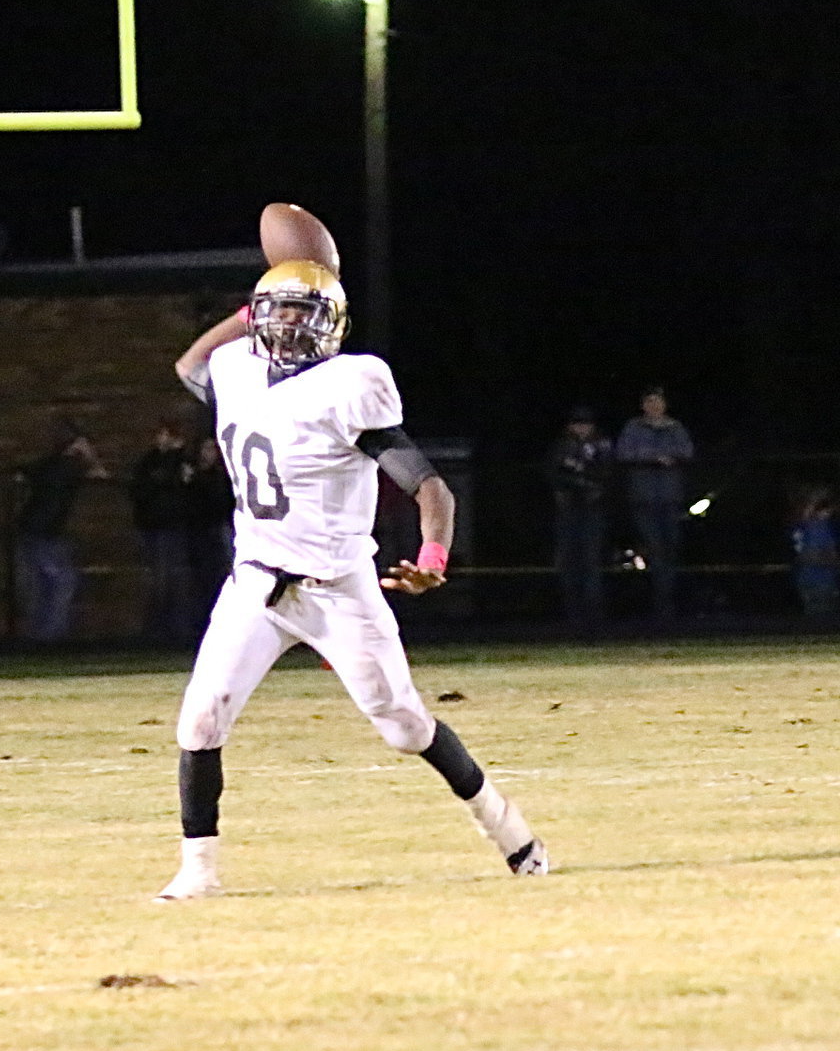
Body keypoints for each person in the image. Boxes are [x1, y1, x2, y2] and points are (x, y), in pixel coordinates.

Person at [156, 258, 548, 900]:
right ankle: (198, 872)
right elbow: (189, 367)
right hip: (256, 584)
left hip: (337, 589)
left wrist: (432, 560)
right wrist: (247, 310)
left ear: (330, 324)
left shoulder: (350, 384)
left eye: (301, 312)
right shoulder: (236, 369)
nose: (286, 323)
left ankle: (511, 832)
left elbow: (431, 488)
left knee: (405, 724)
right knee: (200, 721)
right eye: (275, 309)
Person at [14, 419, 108, 642]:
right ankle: (50, 635)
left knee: (42, 585)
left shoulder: (48, 464)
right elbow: (101, 474)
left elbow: (22, 473)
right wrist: (88, 453)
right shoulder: (70, 466)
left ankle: (42, 634)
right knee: (63, 582)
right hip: (46, 534)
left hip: (33, 530)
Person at [615, 386, 694, 625]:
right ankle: (658, 605)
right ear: (643, 405)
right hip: (644, 500)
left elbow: (687, 451)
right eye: (649, 401)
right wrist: (652, 458)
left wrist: (668, 457)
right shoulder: (633, 428)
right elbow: (624, 453)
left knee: (671, 549)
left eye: (658, 401)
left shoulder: (676, 428)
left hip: (670, 498)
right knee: (654, 550)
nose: (654, 406)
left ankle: (668, 603)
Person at [544, 405, 614, 633]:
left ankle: (594, 616)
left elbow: (605, 475)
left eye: (585, 424)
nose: (581, 428)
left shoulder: (602, 445)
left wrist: (579, 475)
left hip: (593, 509)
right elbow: (555, 474)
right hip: (568, 510)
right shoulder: (562, 445)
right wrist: (579, 476)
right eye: (577, 423)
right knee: (568, 562)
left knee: (591, 561)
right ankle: (571, 614)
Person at [128, 422, 195, 647]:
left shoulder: (179, 461)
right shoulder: (150, 462)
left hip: (172, 527)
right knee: (161, 580)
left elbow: (182, 486)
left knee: (173, 580)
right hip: (156, 527)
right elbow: (143, 487)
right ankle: (160, 631)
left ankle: (174, 630)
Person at [185, 435, 235, 635]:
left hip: (220, 529)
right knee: (201, 580)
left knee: (224, 576)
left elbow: (223, 502)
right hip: (199, 532)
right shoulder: (193, 475)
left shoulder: (221, 475)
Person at [789, 485, 839, 620]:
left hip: (805, 578)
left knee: (813, 618)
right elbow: (817, 556)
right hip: (820, 580)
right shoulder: (819, 527)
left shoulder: (799, 526)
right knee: (823, 621)